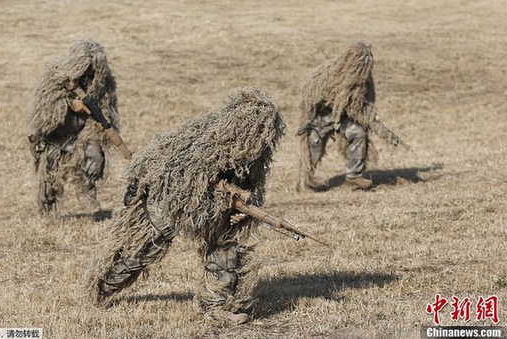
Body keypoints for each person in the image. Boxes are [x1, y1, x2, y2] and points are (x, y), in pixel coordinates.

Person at [85, 87, 285, 324]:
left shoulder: (255, 159)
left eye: (265, 134)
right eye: (255, 132)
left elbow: (252, 190)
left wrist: (241, 212)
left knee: (227, 250)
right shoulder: (204, 139)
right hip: (169, 200)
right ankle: (101, 289)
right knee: (138, 254)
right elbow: (176, 177)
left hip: (215, 209)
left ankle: (216, 308)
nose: (259, 139)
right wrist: (216, 191)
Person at [27, 39, 120, 215]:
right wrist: (70, 104)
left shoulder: (104, 83)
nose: (89, 72)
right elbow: (44, 108)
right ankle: (47, 208)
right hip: (57, 132)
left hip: (86, 130)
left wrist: (97, 123)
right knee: (50, 174)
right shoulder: (55, 74)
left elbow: (108, 109)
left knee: (95, 157)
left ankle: (87, 191)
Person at [297, 41, 405, 191]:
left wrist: (379, 127)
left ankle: (353, 177)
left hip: (345, 117)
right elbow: (309, 96)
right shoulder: (327, 72)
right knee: (314, 146)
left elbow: (366, 106)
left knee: (359, 133)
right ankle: (306, 181)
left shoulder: (365, 80)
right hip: (322, 115)